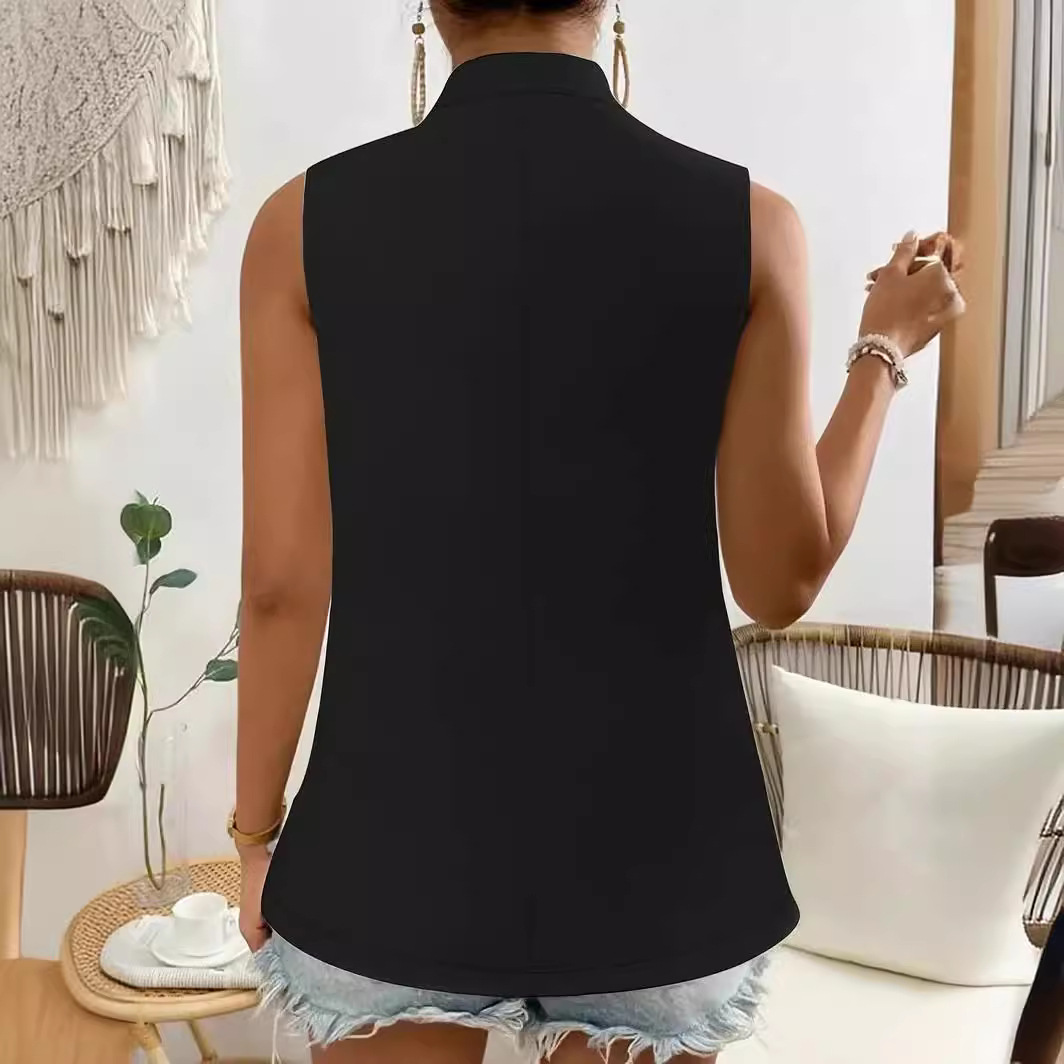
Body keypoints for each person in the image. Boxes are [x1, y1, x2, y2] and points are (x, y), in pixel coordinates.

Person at [233, 2, 966, 1062]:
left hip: (389, 840)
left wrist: (255, 833)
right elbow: (779, 579)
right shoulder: (753, 227)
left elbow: (280, 586)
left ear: (431, 9)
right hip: (658, 853)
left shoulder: (299, 225)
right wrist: (882, 351)